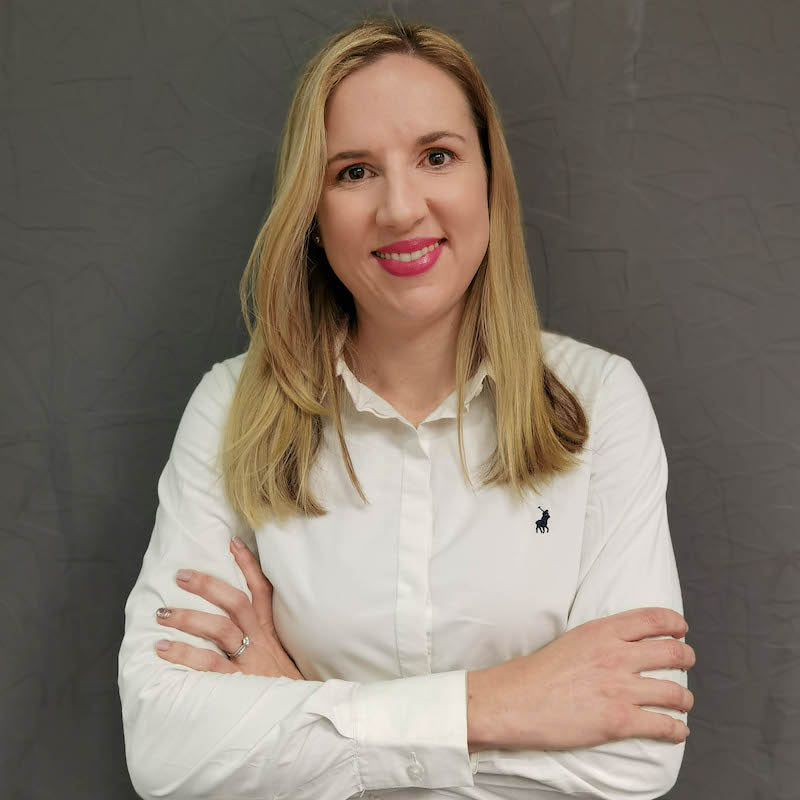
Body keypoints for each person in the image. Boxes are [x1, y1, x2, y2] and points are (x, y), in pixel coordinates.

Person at [117, 14, 695, 800]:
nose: (400, 208)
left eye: (437, 156)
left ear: (488, 180)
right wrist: (503, 703)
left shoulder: (599, 401)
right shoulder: (232, 408)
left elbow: (637, 756)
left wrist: (292, 705)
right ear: (312, 213)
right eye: (353, 171)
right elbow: (165, 749)